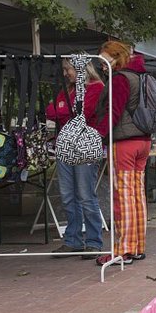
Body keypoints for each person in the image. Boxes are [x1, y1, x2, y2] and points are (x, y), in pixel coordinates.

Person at [97, 40, 153, 266]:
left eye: (104, 59)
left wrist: (98, 135)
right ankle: (137, 245)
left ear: (115, 57)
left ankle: (123, 249)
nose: (102, 64)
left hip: (124, 141)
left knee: (122, 197)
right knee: (137, 195)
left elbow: (113, 112)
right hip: (143, 139)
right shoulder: (141, 75)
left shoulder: (120, 79)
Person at [47, 58, 106, 259]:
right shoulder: (69, 90)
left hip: (85, 146)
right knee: (67, 195)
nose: (66, 73)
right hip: (65, 145)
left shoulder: (97, 88)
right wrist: (63, 110)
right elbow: (52, 111)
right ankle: (73, 240)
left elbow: (80, 113)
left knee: (85, 195)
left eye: (68, 69)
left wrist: (63, 109)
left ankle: (93, 241)